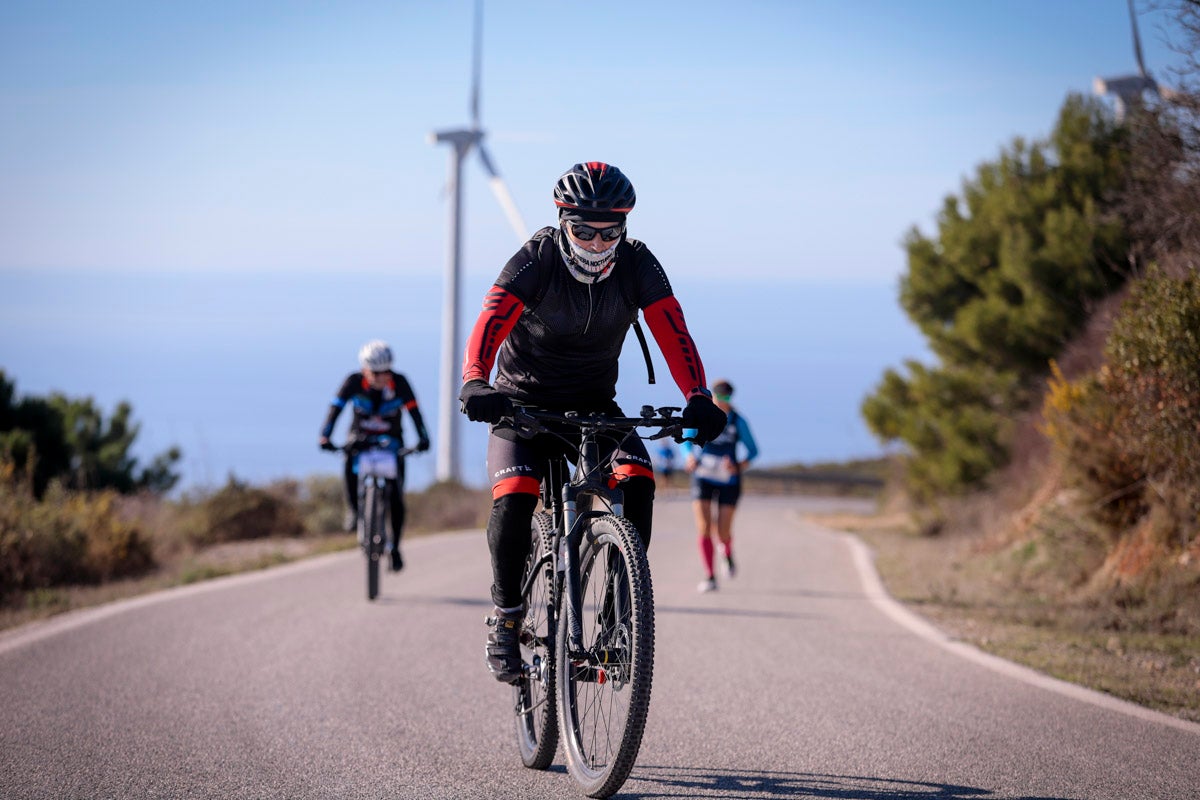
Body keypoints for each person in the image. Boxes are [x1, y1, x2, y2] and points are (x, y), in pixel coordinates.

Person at [458, 161, 728, 683]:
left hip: (592, 405)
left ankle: (615, 622)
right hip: (521, 403)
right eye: (584, 231)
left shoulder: (638, 264)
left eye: (610, 232)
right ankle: (507, 616)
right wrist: (475, 380)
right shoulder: (535, 259)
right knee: (514, 494)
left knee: (638, 479)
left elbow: (674, 332)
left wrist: (698, 395)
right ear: (562, 221)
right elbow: (490, 321)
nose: (598, 243)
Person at [319, 340, 430, 572]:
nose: (382, 377)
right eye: (376, 373)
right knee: (349, 460)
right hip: (360, 438)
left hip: (392, 441)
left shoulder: (400, 383)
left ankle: (396, 548)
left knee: (397, 495)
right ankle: (353, 510)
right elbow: (334, 410)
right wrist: (325, 436)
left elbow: (415, 413)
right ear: (364, 370)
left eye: (386, 371)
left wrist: (423, 439)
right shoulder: (352, 382)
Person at [681, 379, 758, 593]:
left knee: (723, 530)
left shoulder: (737, 421)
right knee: (704, 527)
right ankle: (710, 576)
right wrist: (689, 457)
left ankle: (726, 551)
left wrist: (738, 466)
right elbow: (686, 440)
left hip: (728, 480)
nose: (723, 401)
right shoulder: (703, 415)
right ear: (712, 396)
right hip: (703, 476)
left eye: (727, 398)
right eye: (719, 397)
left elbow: (753, 451)